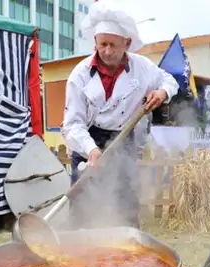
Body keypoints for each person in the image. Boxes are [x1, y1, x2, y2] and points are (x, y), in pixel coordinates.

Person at [62, 1, 178, 229]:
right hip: (89, 141)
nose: (107, 51)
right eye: (102, 44)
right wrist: (91, 149)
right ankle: (77, 251)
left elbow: (169, 80)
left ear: (127, 43)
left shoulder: (143, 67)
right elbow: (73, 123)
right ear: (94, 42)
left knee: (126, 203)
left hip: (123, 139)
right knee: (81, 203)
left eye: (113, 45)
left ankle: (129, 249)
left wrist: (162, 92)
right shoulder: (80, 75)